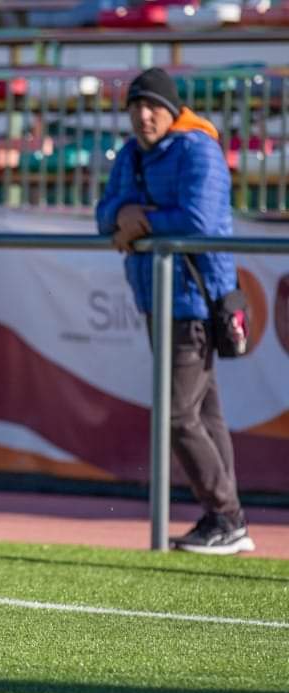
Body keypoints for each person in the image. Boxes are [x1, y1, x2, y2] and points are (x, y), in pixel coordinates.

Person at [96, 67, 254, 555]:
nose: (143, 116)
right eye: (135, 107)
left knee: (177, 414)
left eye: (152, 107)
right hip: (154, 296)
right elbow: (104, 212)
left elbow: (200, 221)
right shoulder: (130, 153)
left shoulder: (197, 147)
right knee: (204, 413)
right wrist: (122, 218)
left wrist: (138, 224)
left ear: (172, 109)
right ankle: (227, 520)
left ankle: (226, 516)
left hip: (194, 298)